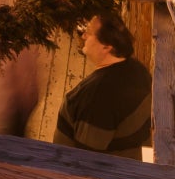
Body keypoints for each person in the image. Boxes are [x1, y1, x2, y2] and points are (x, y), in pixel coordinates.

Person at [54, 10, 152, 156]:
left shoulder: (96, 98)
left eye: (89, 32)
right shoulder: (138, 69)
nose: (83, 35)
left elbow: (85, 158)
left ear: (106, 46)